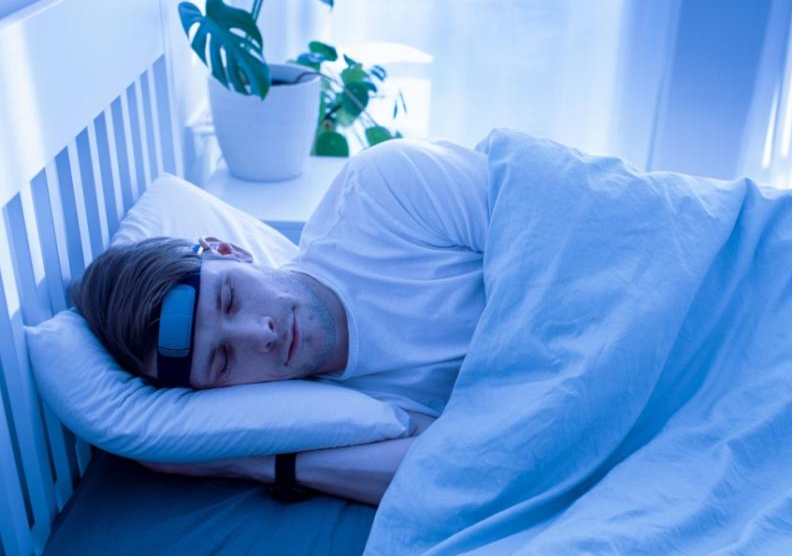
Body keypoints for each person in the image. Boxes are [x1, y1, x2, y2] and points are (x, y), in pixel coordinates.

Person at [68, 137, 490, 506]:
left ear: (228, 250)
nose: (260, 334)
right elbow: (466, 472)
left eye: (230, 298)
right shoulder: (348, 416)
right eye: (223, 361)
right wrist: (249, 462)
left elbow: (543, 226)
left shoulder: (383, 193)